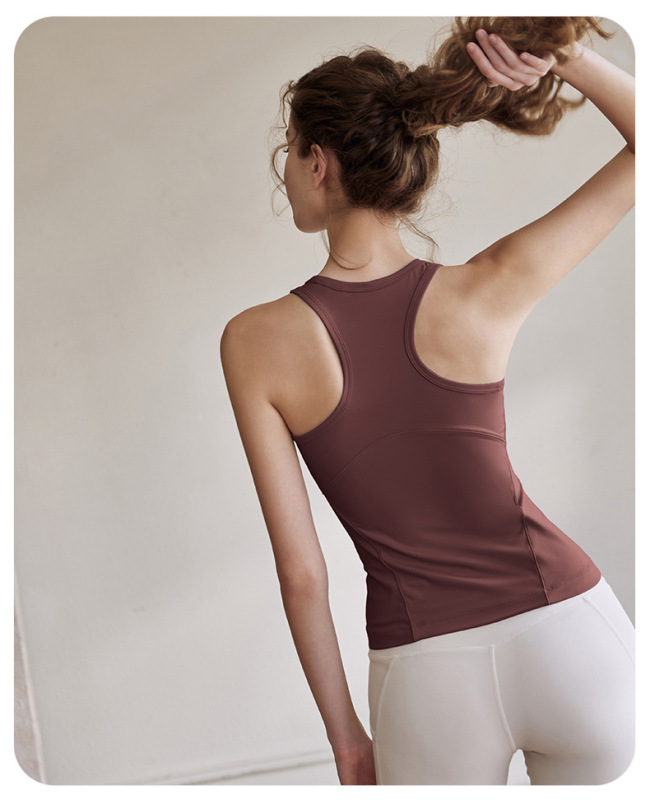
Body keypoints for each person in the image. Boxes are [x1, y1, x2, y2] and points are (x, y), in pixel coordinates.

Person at [220, 17, 635, 786]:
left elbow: (302, 573)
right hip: (572, 637)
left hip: (428, 672)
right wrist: (565, 58)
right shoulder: (488, 288)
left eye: (290, 152)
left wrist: (347, 738)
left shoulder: (254, 342)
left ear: (318, 163)